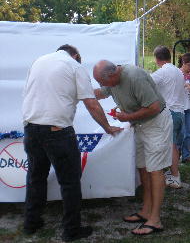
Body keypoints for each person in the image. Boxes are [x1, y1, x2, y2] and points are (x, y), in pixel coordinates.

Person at [22, 45, 122, 242]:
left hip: (31, 128)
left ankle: (31, 223)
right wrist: (108, 127)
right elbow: (91, 103)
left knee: (35, 178)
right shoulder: (74, 66)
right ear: (75, 55)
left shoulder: (38, 61)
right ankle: (71, 230)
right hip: (57, 131)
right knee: (69, 182)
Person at [93, 60, 172, 236]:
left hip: (156, 124)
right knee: (143, 168)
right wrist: (80, 94)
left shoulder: (135, 77)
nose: (102, 86)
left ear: (113, 75)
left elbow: (154, 107)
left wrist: (128, 116)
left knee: (156, 170)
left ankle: (155, 220)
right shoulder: (111, 79)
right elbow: (101, 93)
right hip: (140, 125)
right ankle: (146, 210)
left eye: (103, 82)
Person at [151, 46, 185, 189]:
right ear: (169, 57)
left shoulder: (162, 72)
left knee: (171, 146)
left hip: (170, 113)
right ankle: (173, 174)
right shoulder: (178, 71)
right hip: (179, 112)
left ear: (156, 59)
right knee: (173, 145)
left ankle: (175, 177)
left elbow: (145, 83)